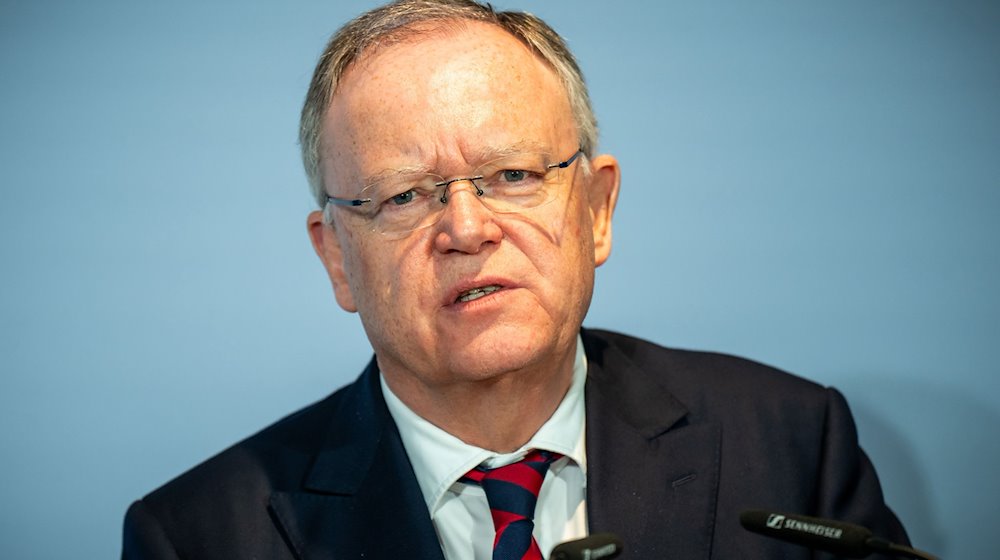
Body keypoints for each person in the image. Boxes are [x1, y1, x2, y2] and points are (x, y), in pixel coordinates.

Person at [122, 1, 909, 558]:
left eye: (512, 174)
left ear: (597, 210)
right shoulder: (199, 535)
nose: (467, 228)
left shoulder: (789, 442)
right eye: (404, 196)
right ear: (338, 258)